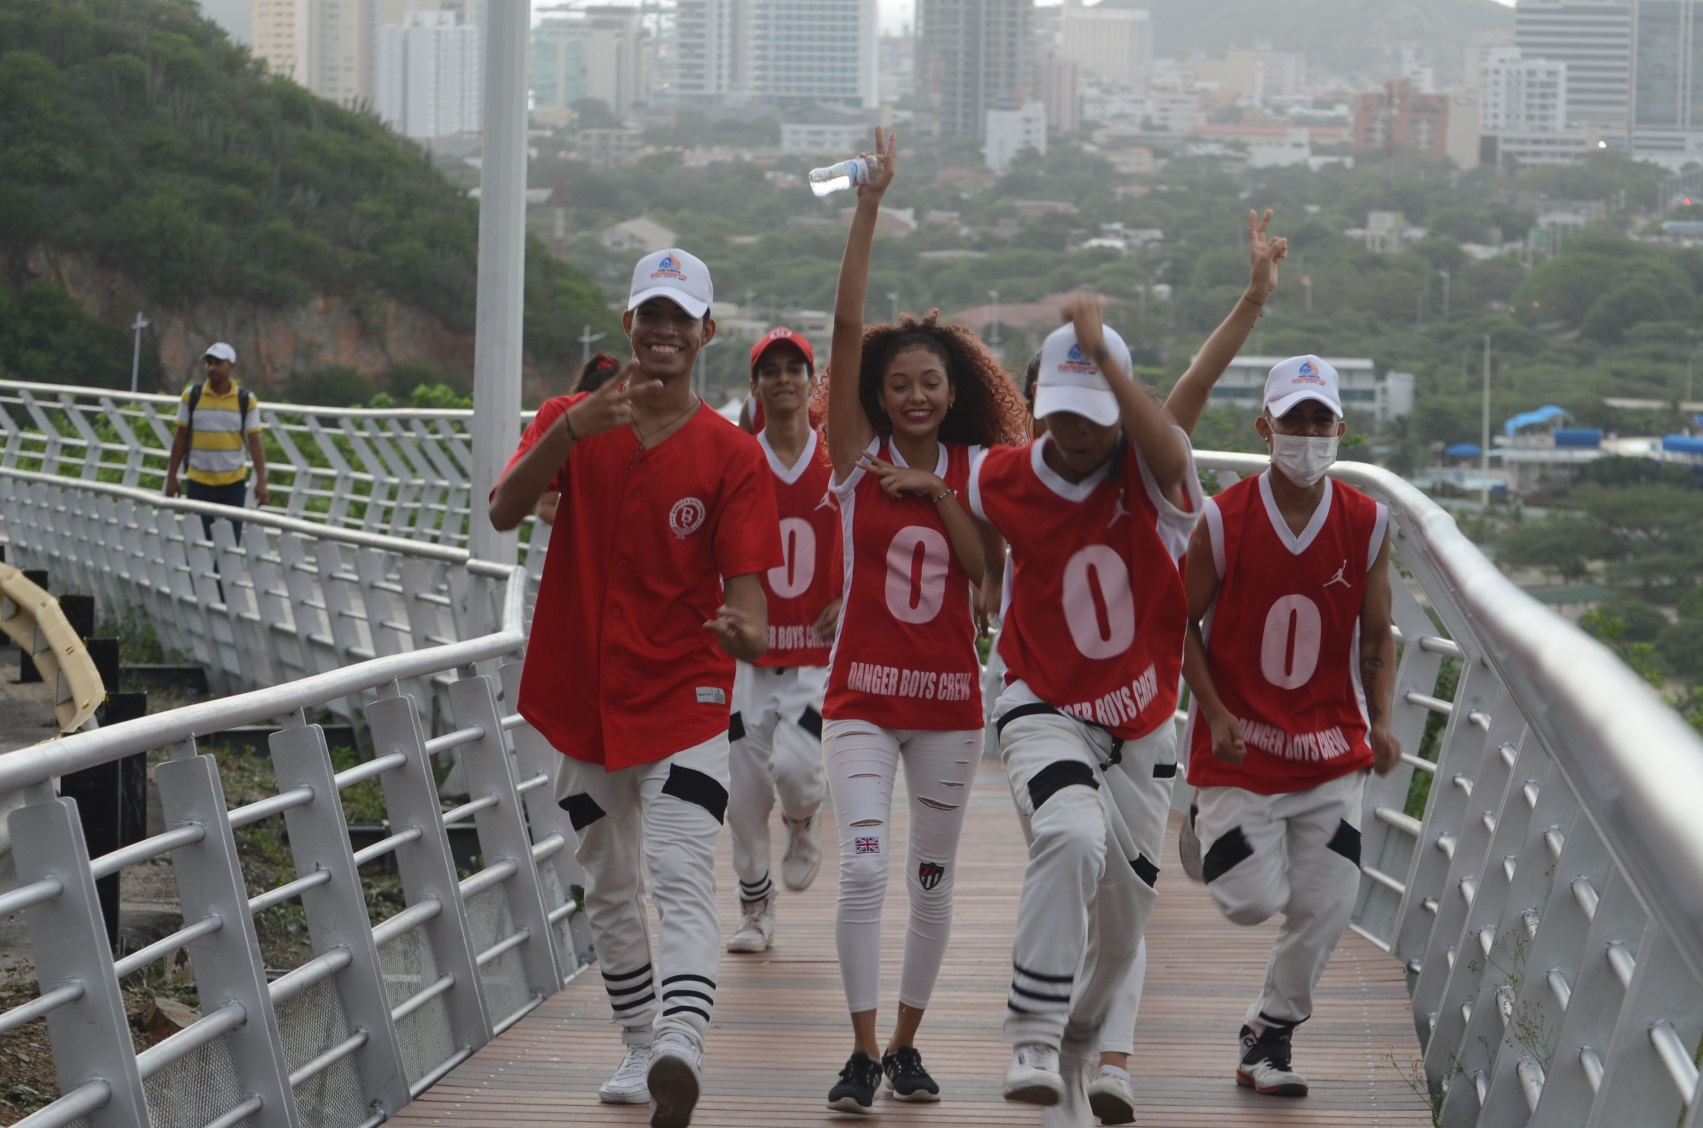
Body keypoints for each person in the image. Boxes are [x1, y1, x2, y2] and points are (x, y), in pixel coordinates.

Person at [488, 247, 783, 1128]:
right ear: (629, 324)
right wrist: (570, 433)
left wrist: (746, 633)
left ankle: (681, 1041)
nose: (663, 331)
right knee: (609, 878)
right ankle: (637, 1038)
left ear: (705, 333)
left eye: (679, 318)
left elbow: (750, 603)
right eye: (650, 314)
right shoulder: (567, 419)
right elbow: (503, 510)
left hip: (686, 694)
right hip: (579, 698)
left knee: (680, 865)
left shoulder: (731, 454)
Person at [818, 126, 1027, 1113]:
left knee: (931, 884)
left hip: (948, 706)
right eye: (898, 384)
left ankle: (907, 1043)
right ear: (877, 393)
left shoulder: (978, 471)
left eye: (928, 383)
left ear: (953, 393)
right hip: (860, 701)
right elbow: (844, 324)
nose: (912, 395)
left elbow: (986, 571)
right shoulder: (852, 458)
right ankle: (861, 1051)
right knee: (864, 871)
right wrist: (867, 207)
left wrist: (937, 494)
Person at [970, 296, 1201, 1125]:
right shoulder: (1003, 475)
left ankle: (1081, 1040)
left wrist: (1105, 361)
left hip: (1139, 723)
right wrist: (988, 574)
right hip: (1041, 702)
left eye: (1094, 416)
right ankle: (1033, 1035)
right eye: (1061, 413)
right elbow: (972, 504)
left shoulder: (1147, 476)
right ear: (1037, 407)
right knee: (1069, 838)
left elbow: (1171, 437)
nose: (1075, 433)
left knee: (1124, 919)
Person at [1084, 208, 1288, 1125]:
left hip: (1143, 708)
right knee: (1079, 868)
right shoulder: (1044, 476)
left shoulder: (1155, 469)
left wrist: (1252, 298)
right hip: (1058, 711)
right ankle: (1082, 1049)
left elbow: (1196, 382)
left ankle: (1110, 1059)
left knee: (1128, 888)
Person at [1178, 354, 1400, 1099]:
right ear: (1264, 428)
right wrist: (1214, 712)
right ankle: (1202, 819)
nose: (1306, 434)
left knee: (1329, 900)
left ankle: (1269, 1033)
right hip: (1241, 749)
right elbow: (1177, 622)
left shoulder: (1366, 522)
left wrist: (1382, 724)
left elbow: (1377, 636)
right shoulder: (1224, 518)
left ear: (1340, 428)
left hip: (1332, 748)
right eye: (1292, 420)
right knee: (1249, 901)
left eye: (1319, 420)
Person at [724, 326, 840, 954]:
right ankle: (755, 907)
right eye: (770, 370)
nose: (783, 379)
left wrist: (849, 596)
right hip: (751, 655)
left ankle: (802, 818)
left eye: (794, 368)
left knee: (797, 771)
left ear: (810, 380)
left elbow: (872, 533)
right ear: (756, 385)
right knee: (742, 797)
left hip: (816, 656)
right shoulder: (740, 460)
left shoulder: (837, 457)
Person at [163, 342, 269, 542]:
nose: (212, 368)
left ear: (231, 367)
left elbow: (254, 442)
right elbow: (181, 438)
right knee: (197, 544)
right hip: (198, 482)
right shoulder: (191, 396)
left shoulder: (246, 400)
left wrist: (261, 481)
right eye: (209, 363)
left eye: (218, 363)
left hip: (232, 484)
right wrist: (172, 477)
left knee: (228, 545)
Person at [535, 353, 623, 527]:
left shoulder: (637, 434)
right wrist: (589, 530)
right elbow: (545, 508)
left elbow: (545, 508)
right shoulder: (568, 440)